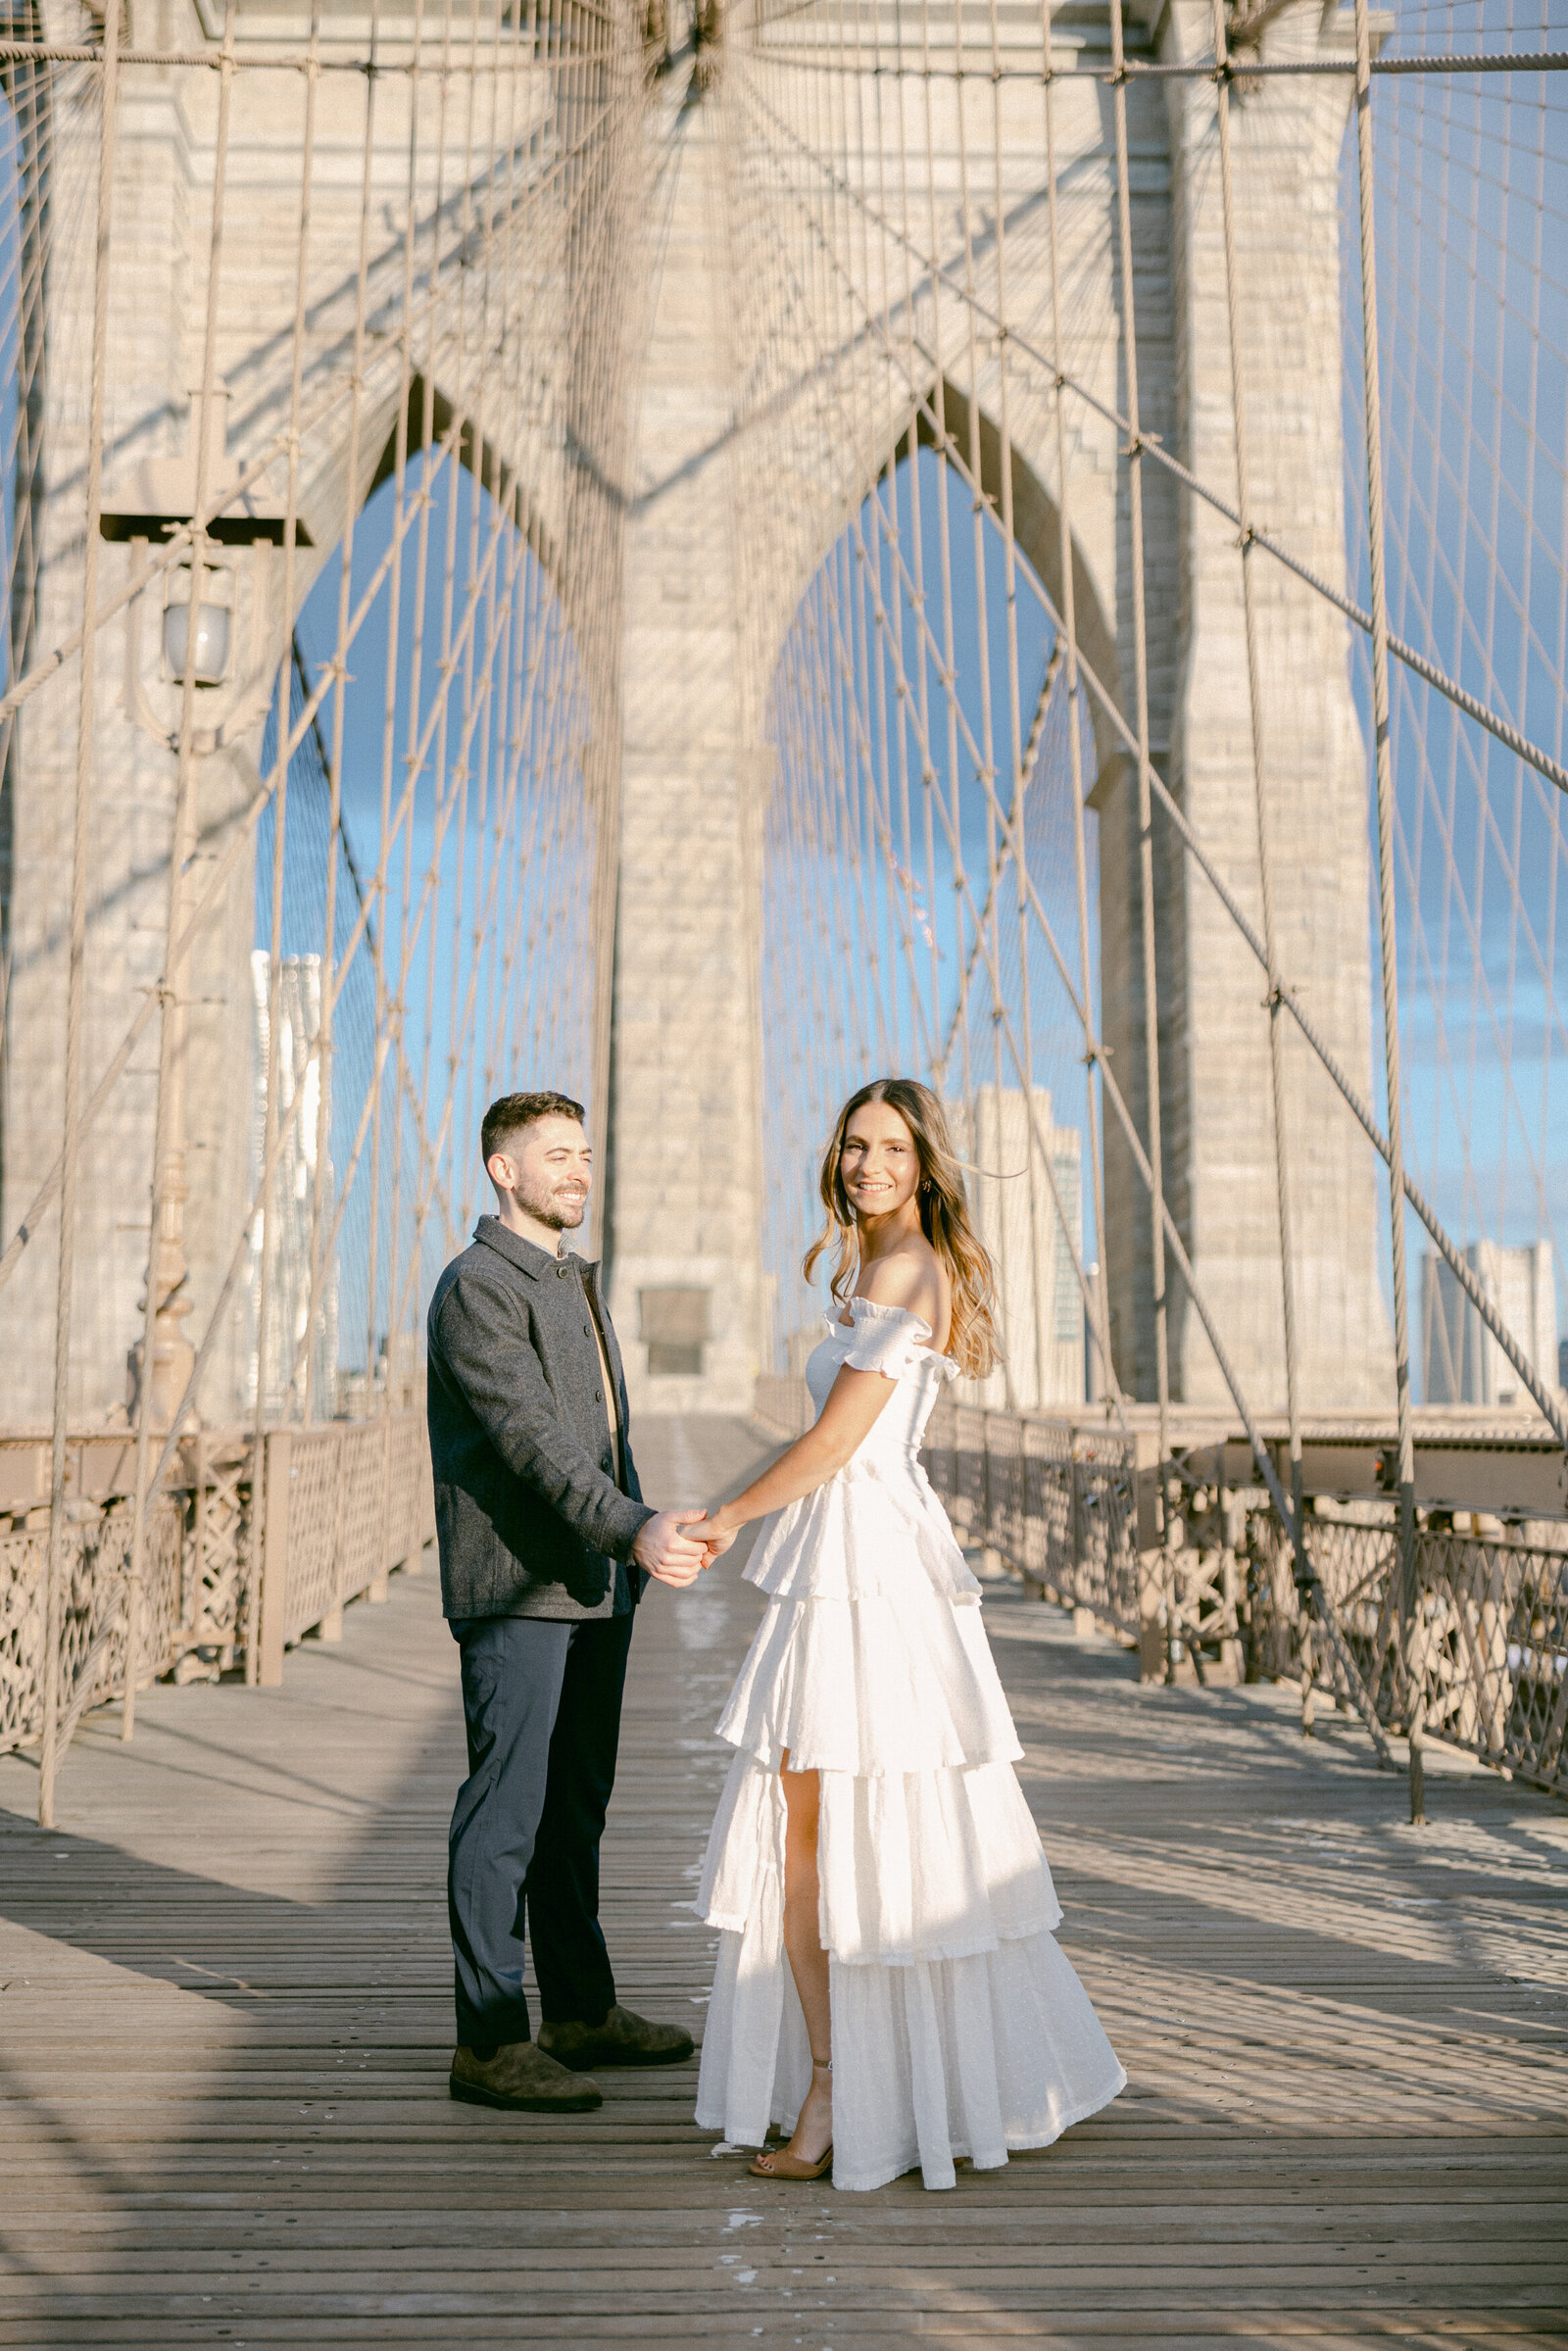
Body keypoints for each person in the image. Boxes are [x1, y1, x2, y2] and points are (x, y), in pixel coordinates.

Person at [690, 1077, 1125, 2189]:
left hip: (865, 1573)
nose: (866, 1163)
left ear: (926, 1163)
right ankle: (868, 2078)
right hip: (853, 1560)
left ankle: (843, 2088)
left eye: (889, 1146)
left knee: (819, 1839)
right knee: (837, 1831)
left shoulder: (901, 1270)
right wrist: (733, 1508)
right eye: (852, 1144)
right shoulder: (878, 1267)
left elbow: (835, 1442)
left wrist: (727, 1515)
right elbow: (832, 1442)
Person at [426, 1090, 711, 2114]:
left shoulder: (570, 1280)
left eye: (584, 1152)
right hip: (517, 1587)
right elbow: (531, 1438)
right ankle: (490, 2039)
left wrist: (630, 1545)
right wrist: (629, 1524)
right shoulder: (476, 1288)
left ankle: (581, 2010)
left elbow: (602, 1437)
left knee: (573, 1810)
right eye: (555, 1154)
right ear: (504, 1169)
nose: (577, 1169)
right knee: (503, 1813)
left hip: (595, 1585)